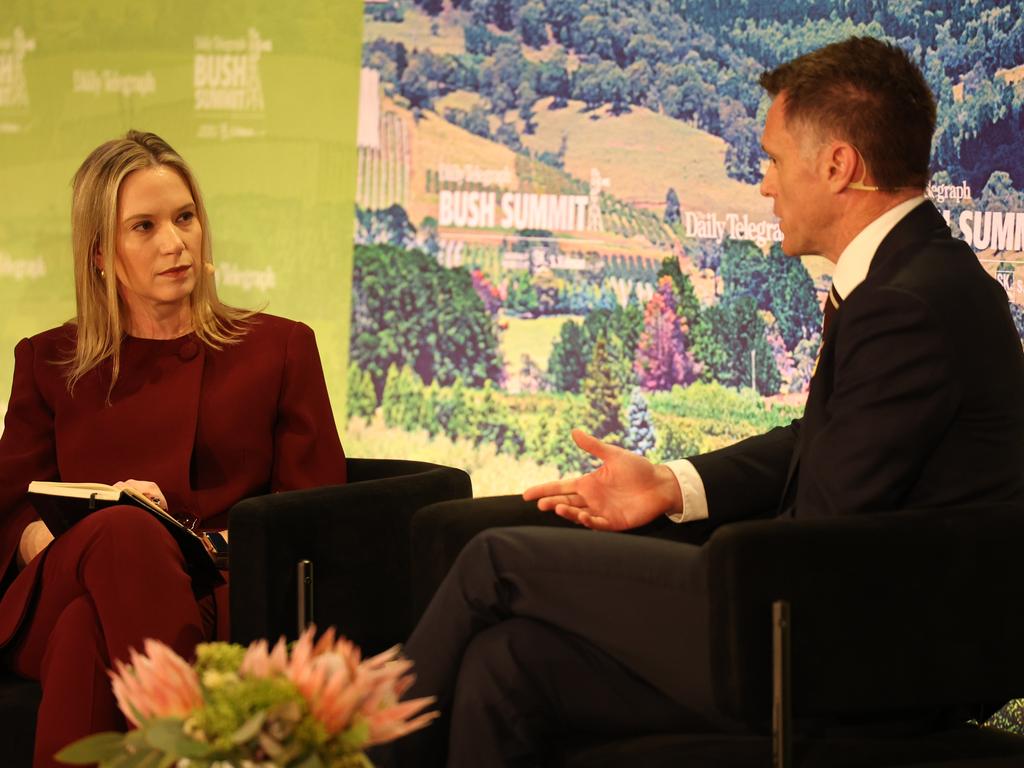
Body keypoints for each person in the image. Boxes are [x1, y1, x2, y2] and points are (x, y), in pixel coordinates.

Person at [392, 36, 1024, 767]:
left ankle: (346, 751)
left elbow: (824, 525)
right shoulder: (919, 277)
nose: (764, 185)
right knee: (507, 664)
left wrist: (710, 568)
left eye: (774, 160)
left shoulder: (908, 303)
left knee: (495, 560)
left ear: (838, 164)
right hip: (831, 628)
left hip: (842, 661)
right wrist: (671, 485)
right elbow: (819, 442)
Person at [0, 130, 347, 767]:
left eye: (184, 217)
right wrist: (61, 541)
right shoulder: (48, 361)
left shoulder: (279, 349)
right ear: (101, 253)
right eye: (144, 226)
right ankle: (198, 744)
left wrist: (194, 542)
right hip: (57, 583)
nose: (174, 242)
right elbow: (8, 511)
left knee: (85, 632)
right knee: (122, 532)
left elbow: (314, 518)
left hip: (218, 594)